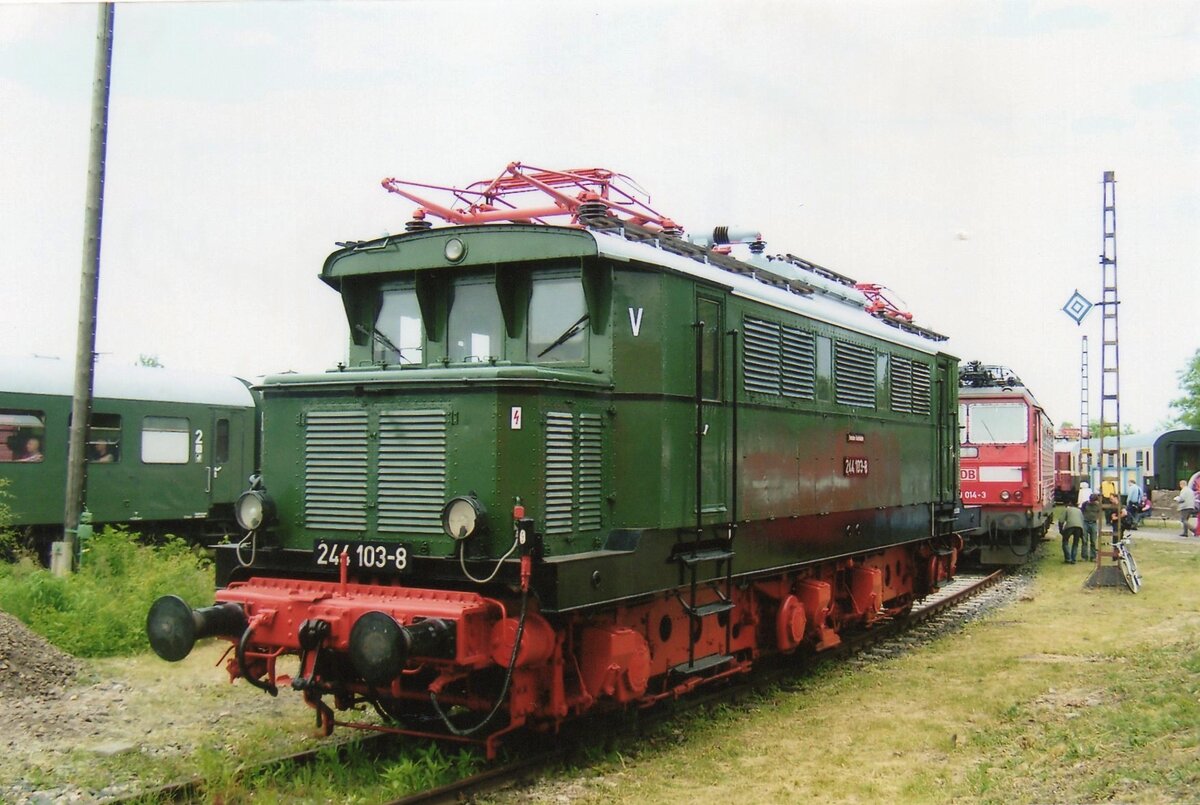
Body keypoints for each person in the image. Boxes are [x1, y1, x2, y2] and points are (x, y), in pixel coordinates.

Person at [1081, 493, 1102, 561]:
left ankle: (1093, 556)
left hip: (1093, 523)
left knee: (1093, 540)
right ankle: (1084, 556)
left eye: (1093, 501)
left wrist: (1096, 518)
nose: (1091, 502)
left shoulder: (1098, 505)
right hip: (1085, 522)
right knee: (1084, 540)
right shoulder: (1085, 504)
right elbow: (1081, 512)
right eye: (1091, 500)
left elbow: (1100, 513)